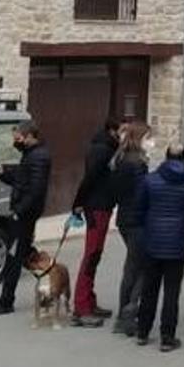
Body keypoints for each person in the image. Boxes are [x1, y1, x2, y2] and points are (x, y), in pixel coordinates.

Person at [135, 144, 184, 352]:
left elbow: (139, 208)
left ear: (166, 156)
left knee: (149, 288)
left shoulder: (150, 180)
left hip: (153, 240)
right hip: (178, 242)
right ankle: (167, 336)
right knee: (172, 291)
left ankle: (143, 331)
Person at [0, 121, 51, 316]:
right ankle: (49, 285)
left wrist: (19, 211)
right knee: (25, 253)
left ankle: (6, 301)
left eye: (18, 139)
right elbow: (21, 180)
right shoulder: (30, 154)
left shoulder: (39, 157)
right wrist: (3, 173)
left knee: (14, 257)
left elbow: (36, 190)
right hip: (22, 213)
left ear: (29, 136)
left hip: (24, 215)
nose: (16, 142)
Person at [71, 118, 120, 328]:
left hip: (102, 205)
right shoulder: (102, 150)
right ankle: (81, 307)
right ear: (112, 130)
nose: (124, 135)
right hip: (97, 207)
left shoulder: (107, 148)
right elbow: (89, 178)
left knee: (95, 255)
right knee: (91, 256)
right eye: (122, 131)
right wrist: (78, 202)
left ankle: (89, 301)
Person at [110, 122, 152, 336]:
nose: (151, 142)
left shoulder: (122, 158)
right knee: (140, 267)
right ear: (140, 138)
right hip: (136, 220)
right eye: (148, 138)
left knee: (132, 266)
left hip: (126, 218)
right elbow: (142, 192)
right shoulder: (136, 163)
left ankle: (123, 313)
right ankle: (129, 311)